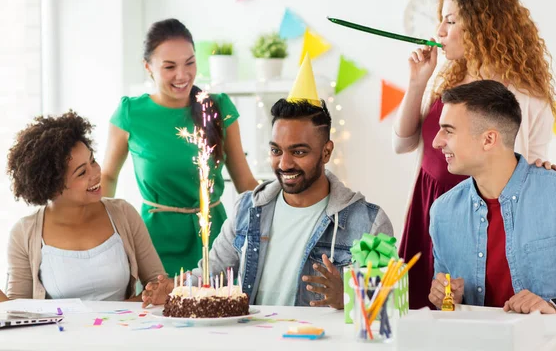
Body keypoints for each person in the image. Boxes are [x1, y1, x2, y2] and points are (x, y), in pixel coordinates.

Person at [142, 57, 394, 309]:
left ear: (326, 152)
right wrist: (176, 288)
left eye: (299, 152)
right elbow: (211, 275)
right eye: (276, 151)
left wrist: (348, 297)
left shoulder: (370, 222)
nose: (284, 164)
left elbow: (391, 303)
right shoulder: (247, 209)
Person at [392, 0, 556, 309]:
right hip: (430, 204)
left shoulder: (526, 97)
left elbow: (531, 167)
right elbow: (403, 143)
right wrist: (417, 82)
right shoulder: (448, 84)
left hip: (481, 215)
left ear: (483, 26)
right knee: (423, 312)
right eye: (440, 20)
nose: (439, 31)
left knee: (472, 307)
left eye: (451, 21)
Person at [427, 81, 556, 351]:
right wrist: (448, 298)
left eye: (448, 131)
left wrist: (555, 307)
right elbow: (447, 300)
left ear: (489, 139)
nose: (437, 142)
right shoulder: (443, 212)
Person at [102, 18, 258, 277]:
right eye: (169, 66)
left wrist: (283, 220)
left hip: (215, 239)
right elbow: (107, 176)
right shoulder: (130, 113)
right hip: (153, 244)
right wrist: (104, 234)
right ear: (148, 67)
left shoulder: (218, 107)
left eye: (190, 62)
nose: (182, 75)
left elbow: (245, 181)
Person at [6, 111, 165, 301]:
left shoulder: (123, 213)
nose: (96, 173)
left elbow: (158, 285)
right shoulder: (25, 233)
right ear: (53, 186)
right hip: (59, 332)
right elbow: (17, 309)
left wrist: (119, 316)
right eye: (82, 173)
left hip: (122, 330)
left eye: (93, 161)